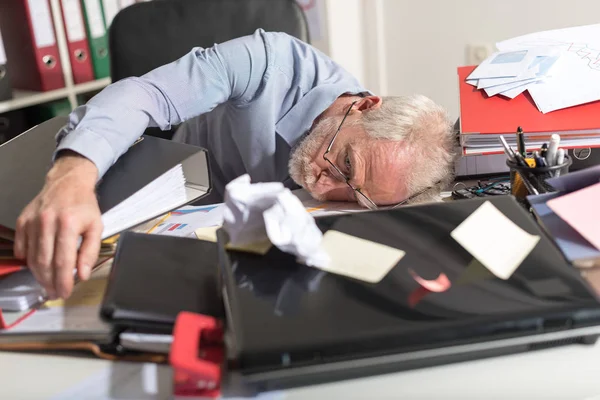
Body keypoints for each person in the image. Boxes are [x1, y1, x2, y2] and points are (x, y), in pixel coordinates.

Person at [15, 29, 455, 299]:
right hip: (181, 207)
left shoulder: (381, 177)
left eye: (354, 193)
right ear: (362, 105)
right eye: (343, 162)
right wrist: (73, 174)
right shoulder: (271, 62)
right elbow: (146, 96)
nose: (324, 187)